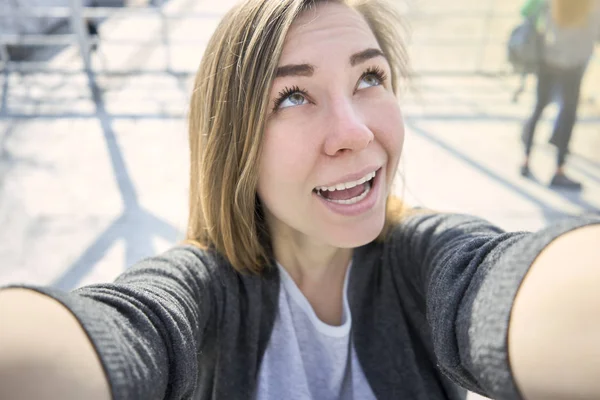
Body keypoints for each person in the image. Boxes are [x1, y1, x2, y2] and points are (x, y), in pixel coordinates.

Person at [0, 1, 599, 399]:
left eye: (370, 79)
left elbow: (502, 284)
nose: (356, 132)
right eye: (292, 96)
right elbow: (123, 330)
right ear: (233, 141)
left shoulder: (429, 259)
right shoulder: (202, 291)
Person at [520, 0, 600, 189]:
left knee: (539, 108)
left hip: (547, 59)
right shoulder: (591, 5)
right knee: (568, 114)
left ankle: (525, 160)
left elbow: (527, 10)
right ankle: (559, 170)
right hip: (573, 64)